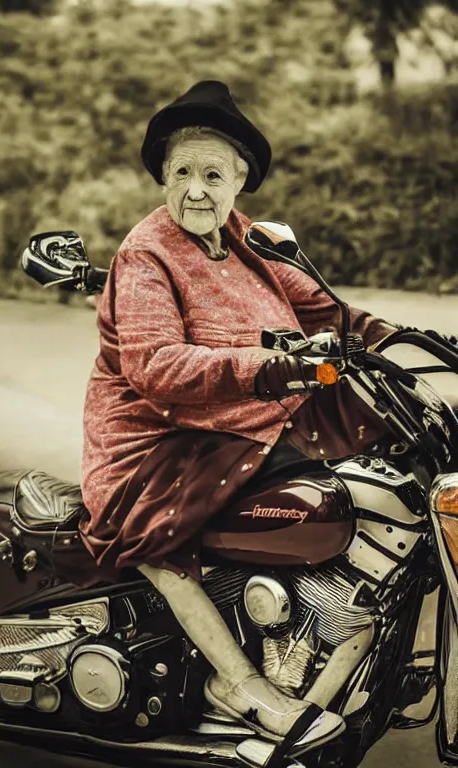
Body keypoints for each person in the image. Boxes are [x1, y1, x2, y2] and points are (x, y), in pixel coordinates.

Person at [80, 81, 397, 752]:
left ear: (239, 184)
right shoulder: (146, 253)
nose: (197, 189)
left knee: (385, 454)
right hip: (156, 439)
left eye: (213, 175)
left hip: (252, 412)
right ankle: (240, 684)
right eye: (183, 173)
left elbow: (327, 315)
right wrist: (264, 365)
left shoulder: (248, 238)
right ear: (166, 179)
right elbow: (154, 365)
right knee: (161, 542)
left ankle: (347, 610)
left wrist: (404, 340)